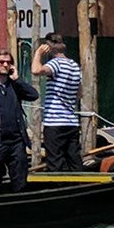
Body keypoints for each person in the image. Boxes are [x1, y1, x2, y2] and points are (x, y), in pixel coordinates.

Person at [0, 49, 39, 193]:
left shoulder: (14, 85)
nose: (5, 65)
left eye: (8, 62)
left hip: (16, 141)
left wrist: (17, 79)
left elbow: (33, 95)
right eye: (1, 62)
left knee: (20, 181)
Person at [31, 32, 83, 171]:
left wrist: (38, 53)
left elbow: (36, 70)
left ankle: (59, 183)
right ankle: (79, 182)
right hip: (71, 122)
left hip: (54, 122)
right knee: (74, 160)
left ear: (49, 47)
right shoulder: (74, 66)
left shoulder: (55, 63)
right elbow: (80, 93)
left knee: (55, 162)